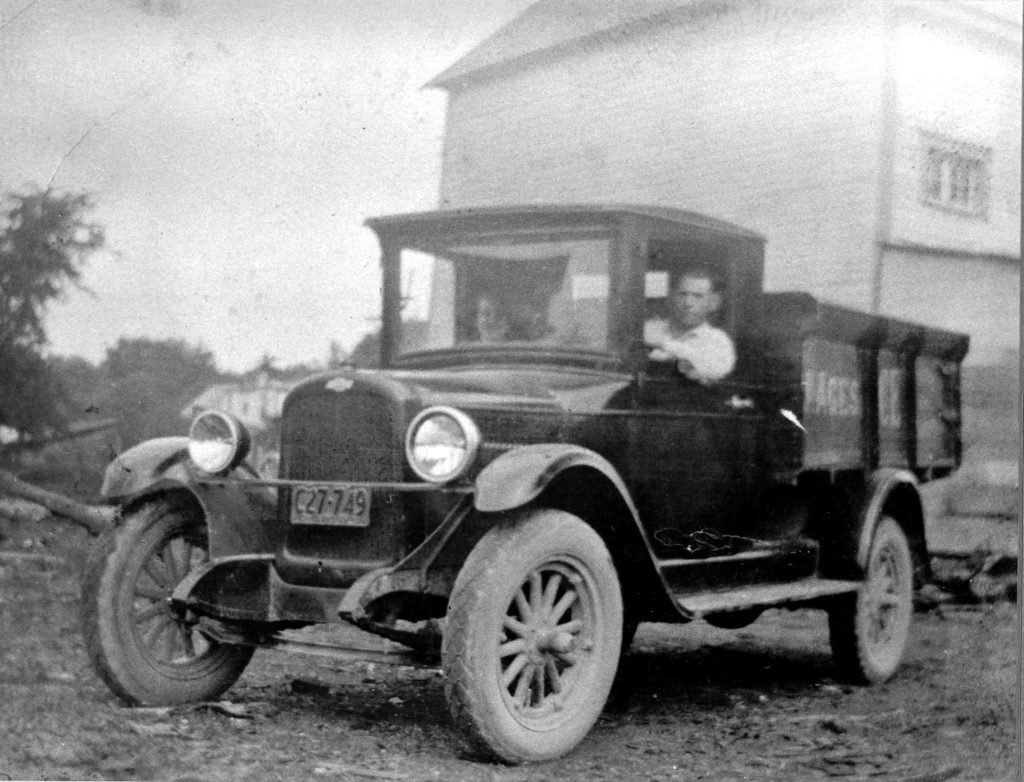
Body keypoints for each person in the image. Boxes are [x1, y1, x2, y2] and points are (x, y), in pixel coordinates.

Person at [644, 266, 735, 384]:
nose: (688, 303)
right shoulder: (650, 328)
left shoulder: (718, 340)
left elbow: (716, 369)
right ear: (672, 297)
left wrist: (664, 344)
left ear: (714, 303)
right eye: (682, 294)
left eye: (698, 296)